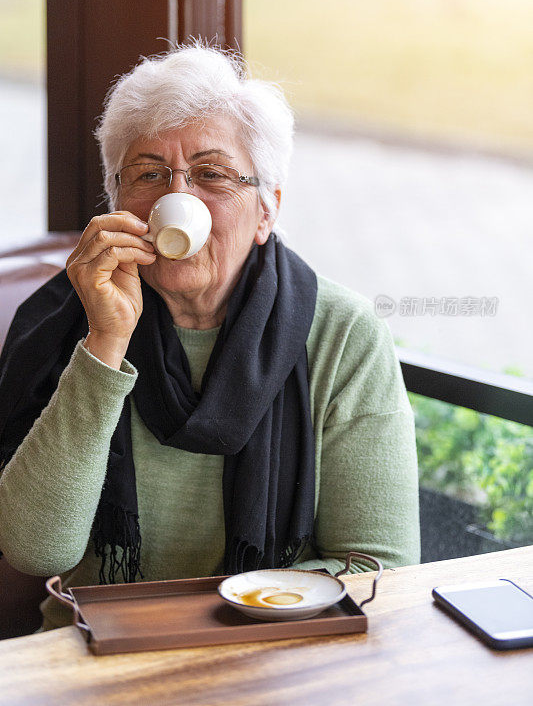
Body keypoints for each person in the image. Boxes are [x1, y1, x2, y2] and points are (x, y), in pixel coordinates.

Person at [0, 43, 420, 631]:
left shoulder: (341, 335)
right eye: (148, 174)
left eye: (211, 174)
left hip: (277, 655)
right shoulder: (68, 323)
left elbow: (380, 566)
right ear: (118, 203)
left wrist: (201, 632)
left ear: (267, 211)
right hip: (91, 653)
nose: (178, 199)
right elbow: (35, 551)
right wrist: (104, 342)